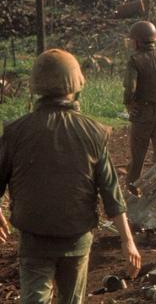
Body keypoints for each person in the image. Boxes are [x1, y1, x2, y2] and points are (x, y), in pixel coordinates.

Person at [0, 49, 141, 304]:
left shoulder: (15, 131)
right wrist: (127, 241)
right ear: (76, 84)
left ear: (36, 86)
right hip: (76, 241)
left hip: (34, 240)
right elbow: (111, 193)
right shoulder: (93, 132)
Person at [123, 21, 156, 195]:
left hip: (142, 114)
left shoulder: (135, 60)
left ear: (138, 41)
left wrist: (130, 106)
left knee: (138, 155)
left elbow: (130, 88)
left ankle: (133, 190)